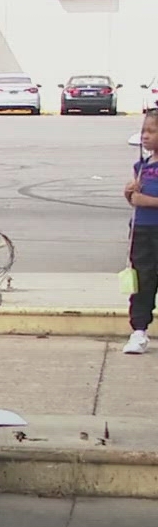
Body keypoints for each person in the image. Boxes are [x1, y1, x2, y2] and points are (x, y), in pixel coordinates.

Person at [123, 109, 158, 355]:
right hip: (143, 231)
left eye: (152, 131)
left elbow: (143, 200)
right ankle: (139, 331)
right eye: (144, 131)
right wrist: (130, 194)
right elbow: (134, 201)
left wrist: (143, 199)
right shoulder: (142, 166)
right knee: (142, 281)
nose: (145, 136)